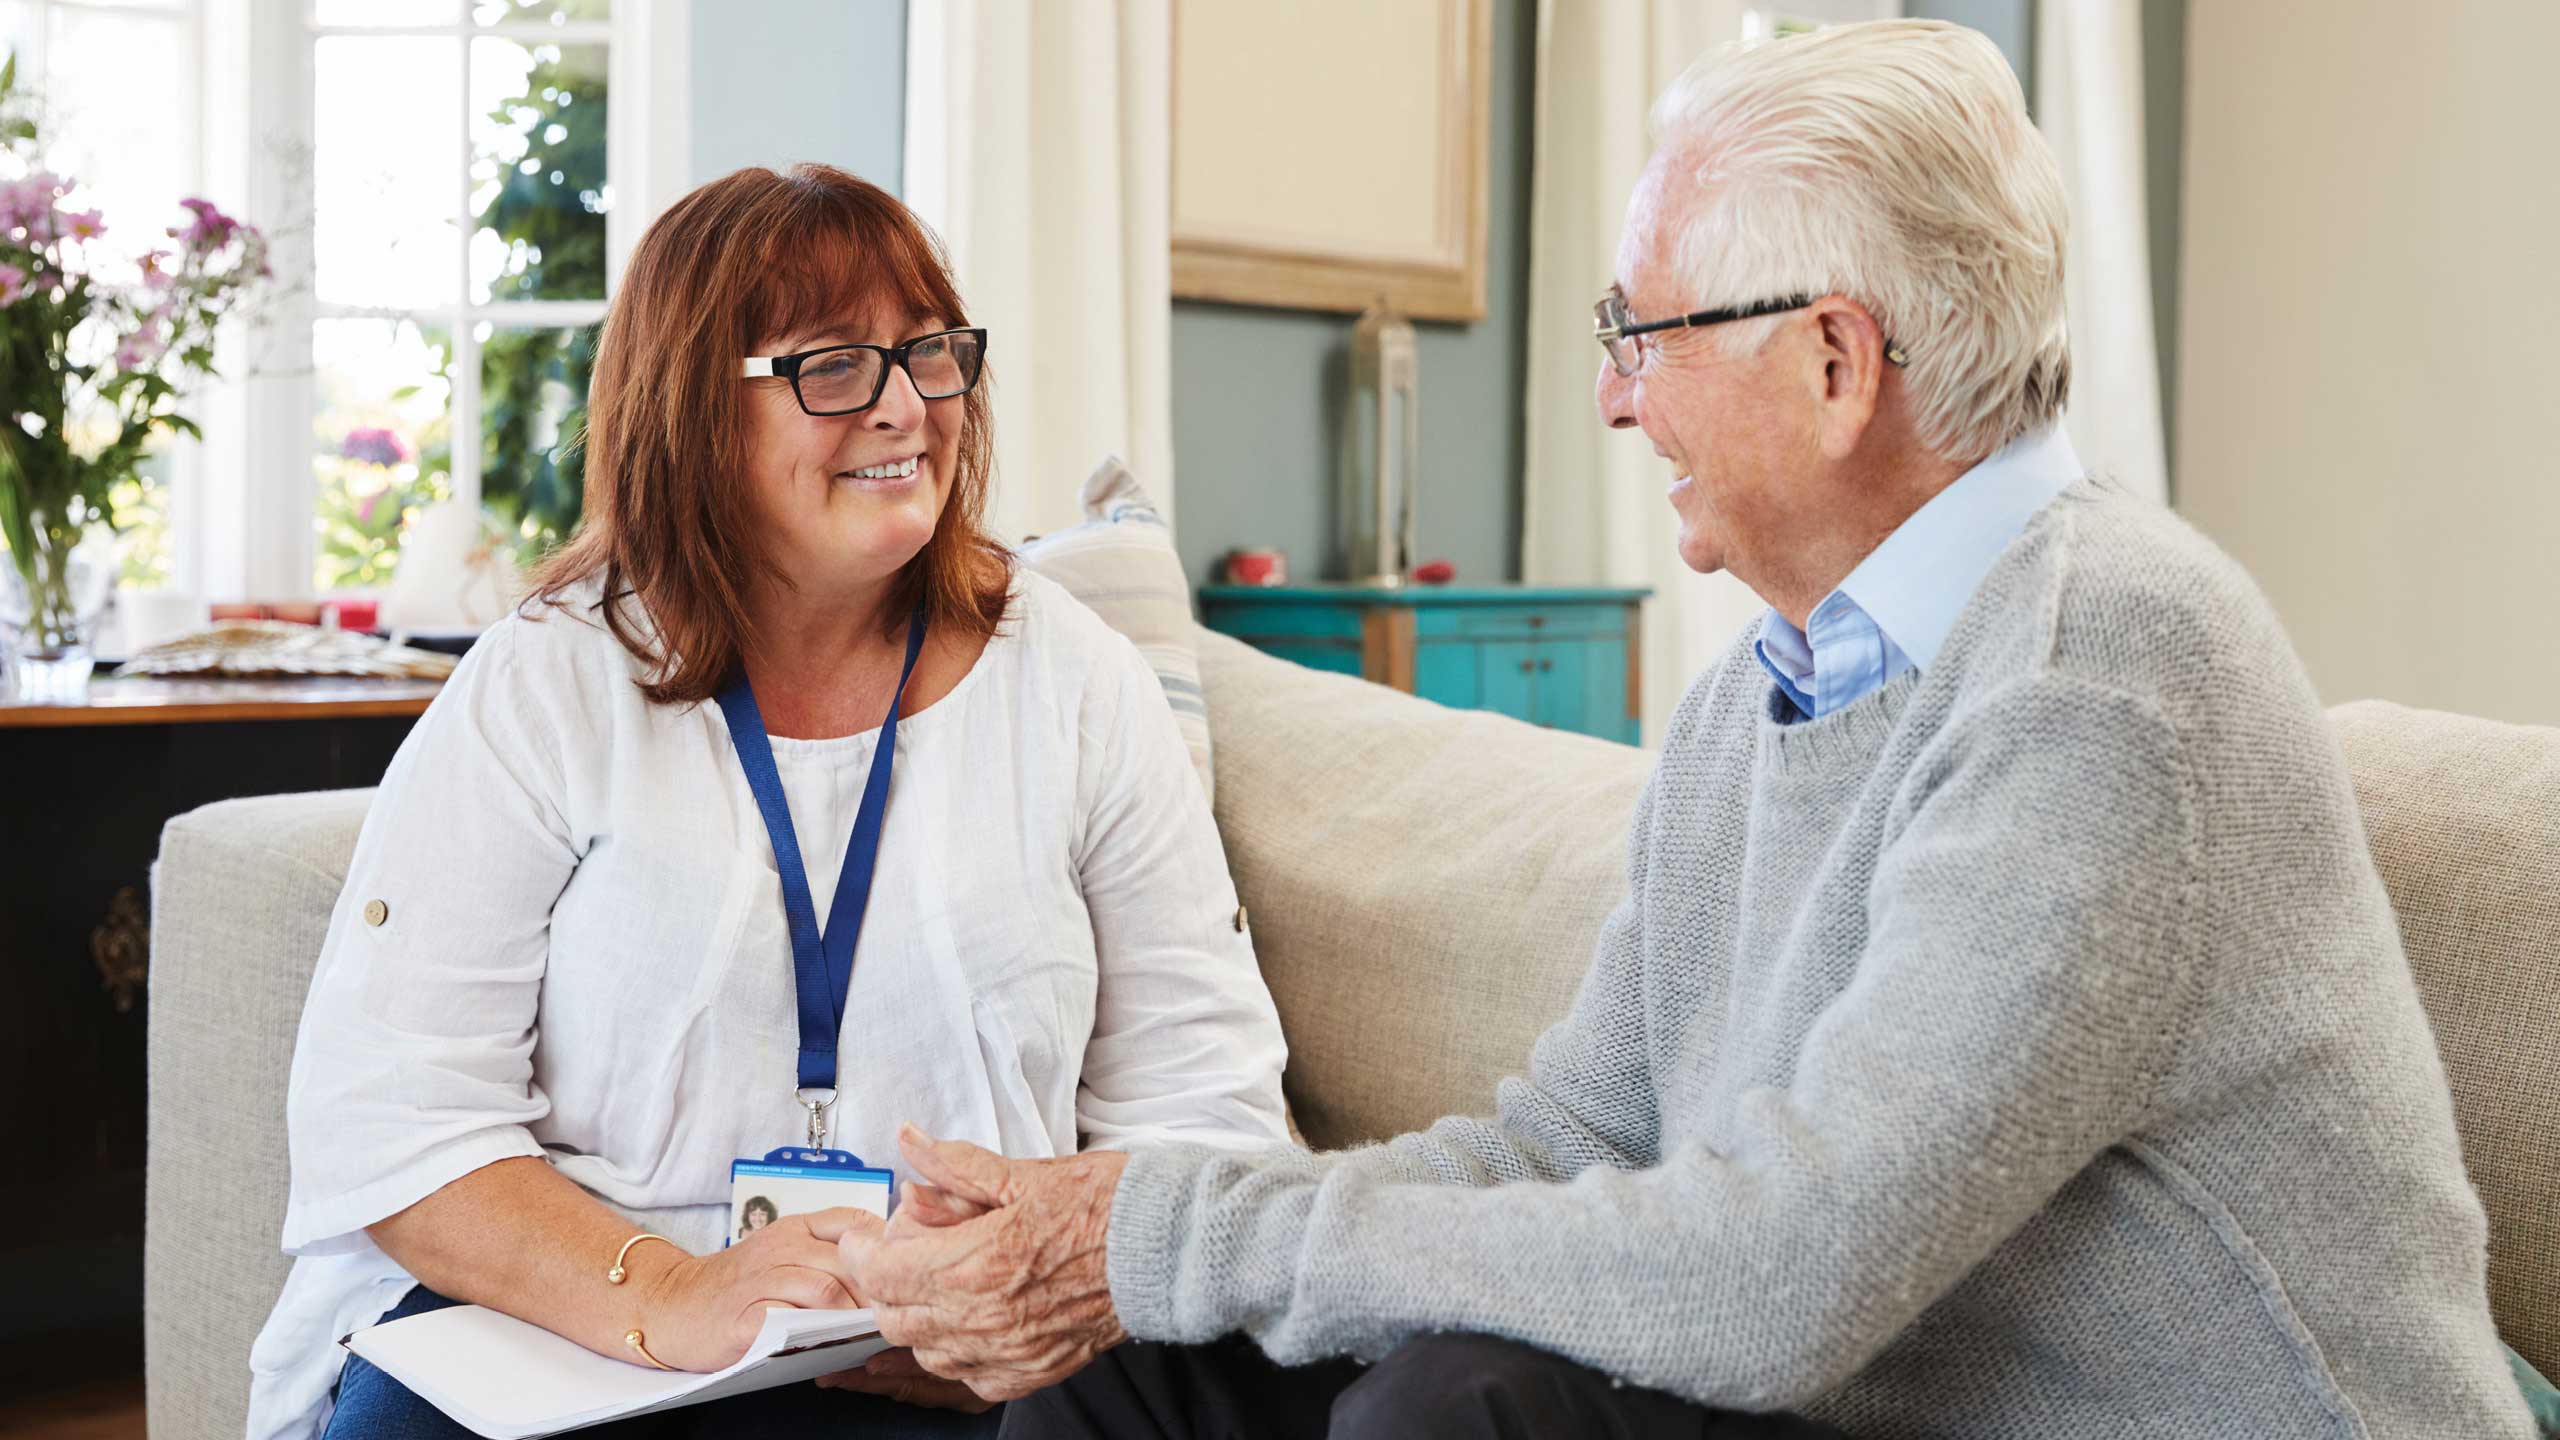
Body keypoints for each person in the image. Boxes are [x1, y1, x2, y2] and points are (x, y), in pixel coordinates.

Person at [823, 21, 2538, 1440]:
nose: (1611, 394)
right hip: (1882, 1407)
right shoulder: (1770, 691)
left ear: (1833, 363)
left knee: (1453, 1411)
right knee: (1151, 1387)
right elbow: (1565, 1147)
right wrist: (1136, 1250)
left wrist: (1161, 1231)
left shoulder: (2106, 675)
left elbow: (1770, 1281)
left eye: (1640, 330)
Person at [245, 164, 1292, 1440]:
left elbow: (1205, 1106)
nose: (907, 406)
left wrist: (1029, 1307)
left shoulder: (1072, 679)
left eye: (929, 354)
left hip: (969, 1359)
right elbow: (394, 1118)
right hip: (577, 1329)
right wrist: (677, 1294)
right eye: (835, 365)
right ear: (692, 410)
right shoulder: (548, 682)